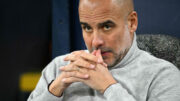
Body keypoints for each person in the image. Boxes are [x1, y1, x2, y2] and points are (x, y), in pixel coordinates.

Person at [28, 0, 180, 101]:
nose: (95, 41)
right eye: (87, 28)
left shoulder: (163, 75)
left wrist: (108, 87)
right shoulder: (60, 67)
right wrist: (54, 90)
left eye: (107, 26)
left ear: (132, 23)